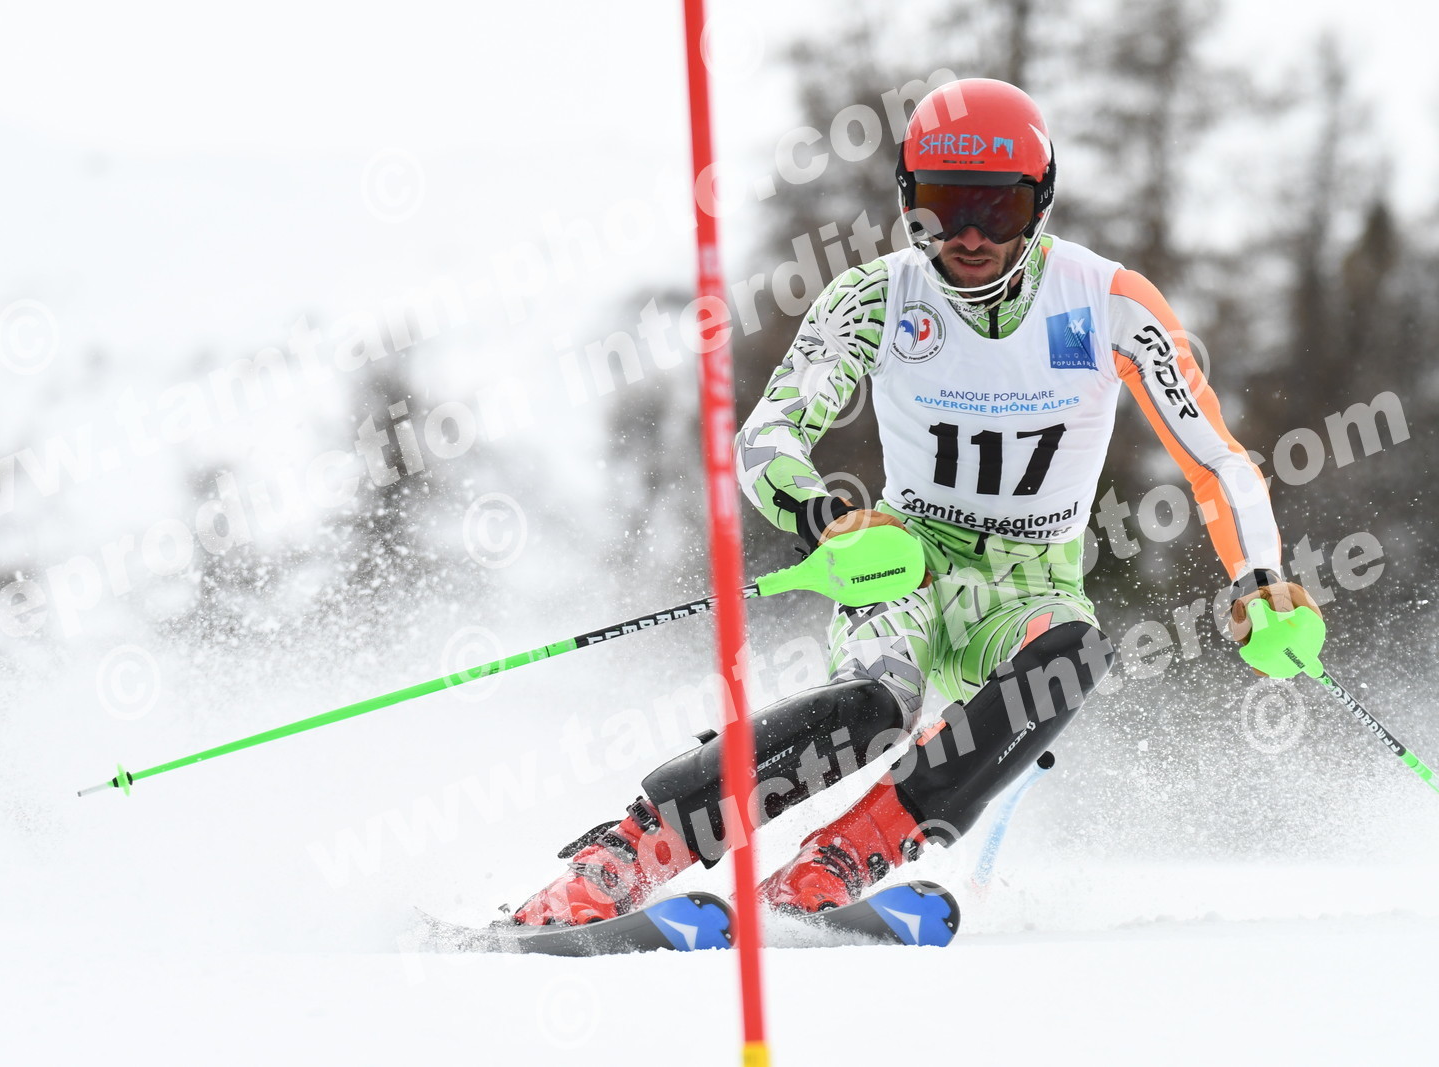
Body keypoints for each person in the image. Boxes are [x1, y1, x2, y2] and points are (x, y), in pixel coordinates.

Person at [510, 77, 1322, 926]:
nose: (970, 236)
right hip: (908, 561)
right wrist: (824, 516)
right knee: (876, 706)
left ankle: (837, 862)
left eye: (999, 211)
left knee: (1072, 653)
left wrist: (1258, 577)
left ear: (1040, 205)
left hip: (1031, 582)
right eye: (943, 209)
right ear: (907, 202)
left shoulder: (1109, 302)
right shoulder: (876, 297)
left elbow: (1217, 460)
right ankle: (631, 852)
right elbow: (766, 436)